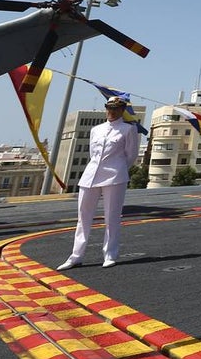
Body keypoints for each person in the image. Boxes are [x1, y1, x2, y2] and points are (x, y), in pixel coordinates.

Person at [57, 96, 141, 270]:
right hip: (91, 175)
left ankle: (110, 254)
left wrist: (118, 168)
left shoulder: (128, 129)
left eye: (116, 108)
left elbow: (131, 155)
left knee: (112, 217)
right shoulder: (96, 129)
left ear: (122, 110)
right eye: (109, 108)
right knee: (83, 217)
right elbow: (92, 153)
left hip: (115, 176)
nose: (112, 111)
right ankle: (76, 256)